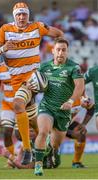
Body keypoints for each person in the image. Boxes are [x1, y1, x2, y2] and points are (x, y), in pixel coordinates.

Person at [0, 1, 64, 165]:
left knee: (17, 105)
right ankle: (49, 147)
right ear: (14, 16)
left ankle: (28, 150)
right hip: (16, 81)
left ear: (28, 15)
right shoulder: (5, 30)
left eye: (24, 14)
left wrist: (55, 53)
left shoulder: (37, 27)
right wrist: (3, 49)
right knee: (31, 117)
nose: (22, 17)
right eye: (19, 14)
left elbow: (58, 33)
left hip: (33, 77)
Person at [33, 37, 84, 176]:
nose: (61, 53)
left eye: (64, 50)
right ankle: (38, 165)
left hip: (64, 111)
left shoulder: (74, 67)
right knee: (43, 132)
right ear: (53, 51)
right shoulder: (44, 67)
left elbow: (80, 86)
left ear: (67, 52)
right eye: (58, 49)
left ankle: (53, 149)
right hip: (47, 106)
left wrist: (71, 101)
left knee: (56, 144)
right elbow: (34, 83)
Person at [0, 61, 38, 168]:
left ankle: (30, 154)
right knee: (6, 132)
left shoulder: (23, 66)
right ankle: (12, 159)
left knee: (19, 135)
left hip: (22, 104)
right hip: (8, 105)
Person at [66, 95, 95, 168]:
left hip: (67, 124)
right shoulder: (62, 95)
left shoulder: (82, 98)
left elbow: (91, 107)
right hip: (55, 125)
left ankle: (76, 162)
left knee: (81, 133)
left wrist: (84, 124)